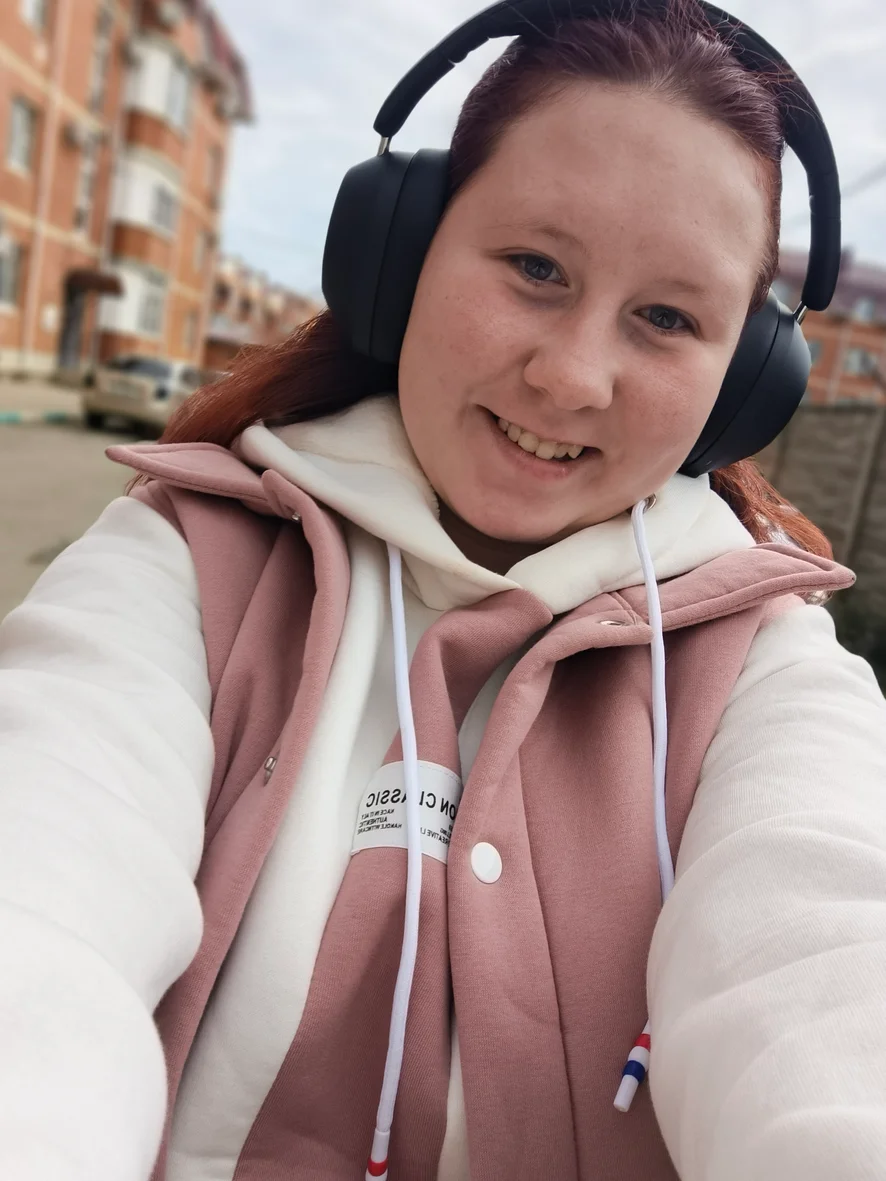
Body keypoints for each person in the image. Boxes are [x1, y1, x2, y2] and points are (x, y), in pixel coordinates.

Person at [0, 1, 884, 1179]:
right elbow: (40, 881)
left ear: (742, 383)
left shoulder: (767, 670)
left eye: (667, 318)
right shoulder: (178, 563)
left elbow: (829, 958)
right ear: (401, 252)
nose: (571, 377)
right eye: (534, 267)